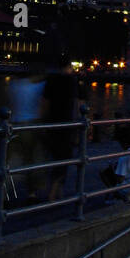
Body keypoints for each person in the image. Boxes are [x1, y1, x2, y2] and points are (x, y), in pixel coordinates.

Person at [41, 60, 78, 202]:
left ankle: (56, 190)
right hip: (66, 124)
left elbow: (45, 102)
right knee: (63, 159)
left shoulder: (51, 80)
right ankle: (54, 192)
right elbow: (74, 104)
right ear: (68, 68)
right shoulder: (71, 82)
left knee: (53, 157)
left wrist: (42, 121)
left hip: (51, 123)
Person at [8, 69, 44, 204]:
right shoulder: (37, 86)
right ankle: (32, 193)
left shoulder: (15, 85)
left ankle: (4, 192)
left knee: (11, 160)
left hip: (14, 124)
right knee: (32, 160)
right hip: (31, 126)